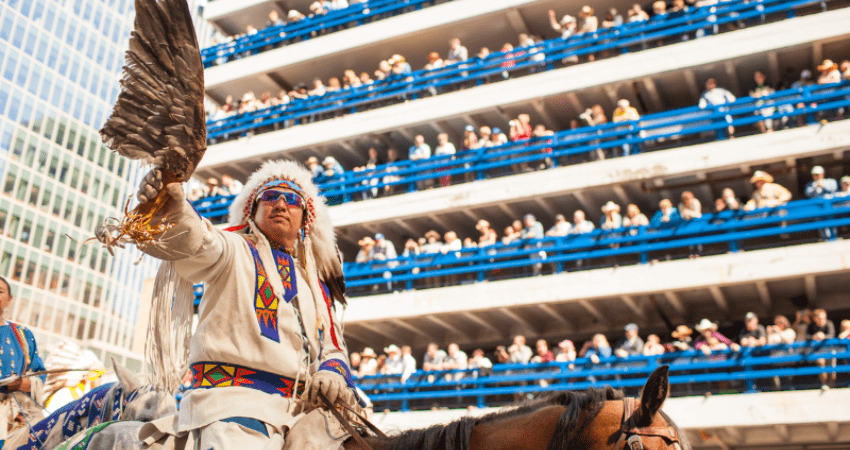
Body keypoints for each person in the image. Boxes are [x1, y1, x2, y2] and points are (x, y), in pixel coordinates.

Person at [134, 161, 361, 449]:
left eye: (291, 199)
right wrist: (174, 208)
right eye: (269, 197)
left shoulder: (313, 286)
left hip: (301, 412)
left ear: (304, 218)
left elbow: (332, 348)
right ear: (252, 211)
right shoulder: (233, 249)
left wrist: (330, 372)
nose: (280, 203)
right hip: (233, 404)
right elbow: (199, 241)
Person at [0, 276, 47, 448]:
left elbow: (39, 375)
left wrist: (21, 383)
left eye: (0, 291)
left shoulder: (22, 335)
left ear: (9, 300)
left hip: (15, 419)